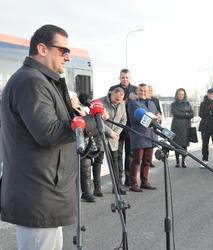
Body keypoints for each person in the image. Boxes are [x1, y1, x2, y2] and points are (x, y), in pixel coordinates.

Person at [0, 25, 95, 249]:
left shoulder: (42, 80)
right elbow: (49, 132)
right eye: (63, 50)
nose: (68, 57)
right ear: (42, 49)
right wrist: (89, 124)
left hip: (46, 191)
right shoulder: (31, 81)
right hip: (38, 194)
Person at [93, 87, 128, 195]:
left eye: (119, 100)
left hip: (114, 138)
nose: (117, 102)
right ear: (111, 94)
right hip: (101, 136)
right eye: (116, 99)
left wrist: (116, 133)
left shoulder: (122, 104)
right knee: (98, 161)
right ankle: (97, 188)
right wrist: (110, 132)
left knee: (115, 162)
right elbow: (96, 119)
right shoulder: (99, 102)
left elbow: (124, 120)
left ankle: (117, 187)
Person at [128, 83, 159, 192]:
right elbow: (137, 118)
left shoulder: (152, 103)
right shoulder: (133, 103)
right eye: (141, 90)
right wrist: (152, 119)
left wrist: (158, 118)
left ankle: (144, 182)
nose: (143, 92)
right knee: (137, 161)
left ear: (148, 92)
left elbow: (156, 116)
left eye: (145, 91)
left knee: (147, 161)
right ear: (137, 91)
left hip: (150, 136)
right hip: (139, 135)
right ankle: (133, 183)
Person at [109, 69, 137, 186]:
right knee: (118, 154)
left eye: (127, 77)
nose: (125, 79)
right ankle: (118, 178)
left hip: (130, 126)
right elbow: (109, 103)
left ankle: (128, 179)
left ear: (130, 78)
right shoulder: (113, 88)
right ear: (119, 78)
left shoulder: (135, 90)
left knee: (130, 154)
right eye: (123, 77)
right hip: (117, 127)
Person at [69, 91, 96, 202]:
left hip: (86, 145)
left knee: (86, 169)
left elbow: (91, 126)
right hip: (73, 146)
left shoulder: (83, 111)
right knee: (72, 173)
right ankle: (73, 195)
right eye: (76, 98)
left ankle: (87, 192)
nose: (78, 101)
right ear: (70, 100)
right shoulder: (68, 112)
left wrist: (85, 116)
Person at [171, 88, 194, 168]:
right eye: (179, 94)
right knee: (176, 144)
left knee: (184, 145)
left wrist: (185, 114)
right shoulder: (173, 104)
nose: (181, 96)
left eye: (182, 94)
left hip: (185, 127)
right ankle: (177, 161)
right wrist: (186, 114)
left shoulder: (188, 104)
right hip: (176, 127)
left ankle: (183, 161)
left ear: (184, 95)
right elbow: (176, 113)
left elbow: (192, 114)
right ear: (177, 95)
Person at [198, 88, 213, 169]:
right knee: (204, 144)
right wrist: (208, 110)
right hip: (205, 126)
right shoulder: (203, 103)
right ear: (207, 94)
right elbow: (200, 114)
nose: (211, 95)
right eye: (210, 94)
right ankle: (205, 160)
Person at [147, 85, 162, 168]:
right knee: (146, 142)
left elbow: (158, 110)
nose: (150, 91)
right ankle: (145, 160)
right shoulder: (144, 99)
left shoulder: (155, 100)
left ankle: (149, 160)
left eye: (151, 90)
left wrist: (159, 117)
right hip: (146, 123)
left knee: (152, 143)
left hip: (154, 122)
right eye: (148, 90)